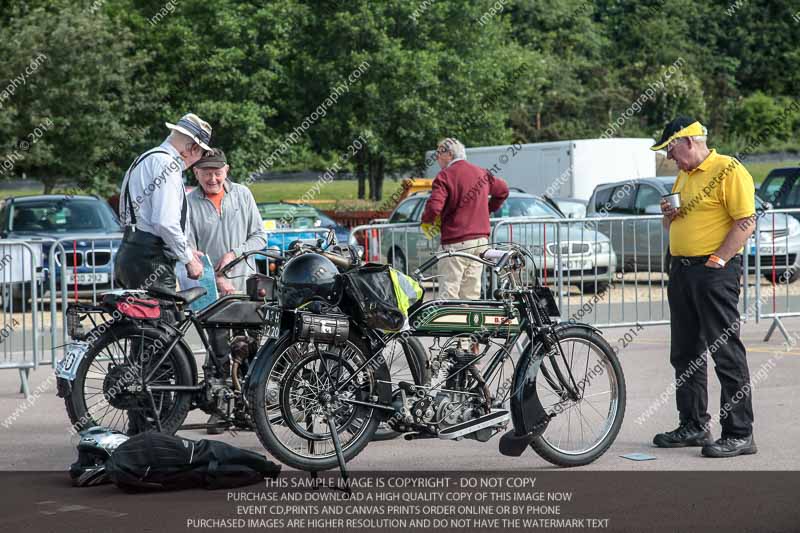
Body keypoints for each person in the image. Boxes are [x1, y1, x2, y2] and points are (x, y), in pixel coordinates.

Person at [653, 116, 757, 458]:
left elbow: (745, 221)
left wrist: (720, 259)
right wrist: (668, 214)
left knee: (725, 352)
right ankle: (694, 424)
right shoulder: (684, 175)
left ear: (690, 141)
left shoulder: (728, 169)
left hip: (713, 272)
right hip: (683, 270)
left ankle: (740, 433)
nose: (670, 156)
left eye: (671, 147)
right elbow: (674, 227)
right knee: (685, 353)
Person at [186, 148, 266, 434]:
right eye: (206, 171)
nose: (212, 177)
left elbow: (260, 237)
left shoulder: (243, 194)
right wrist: (216, 278)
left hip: (246, 286)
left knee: (251, 349)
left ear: (227, 170)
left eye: (217, 171)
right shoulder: (188, 203)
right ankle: (221, 411)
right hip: (212, 292)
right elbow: (190, 251)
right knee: (219, 351)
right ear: (195, 172)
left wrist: (236, 253)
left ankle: (252, 410)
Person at [116, 113, 212, 291]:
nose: (198, 160)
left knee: (137, 318)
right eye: (202, 153)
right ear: (193, 148)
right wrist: (189, 259)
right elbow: (165, 222)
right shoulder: (167, 165)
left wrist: (184, 250)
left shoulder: (146, 158)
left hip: (131, 254)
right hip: (150, 261)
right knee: (164, 318)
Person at [420, 137, 509, 300]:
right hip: (480, 241)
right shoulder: (482, 173)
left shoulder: (444, 176)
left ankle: (450, 325)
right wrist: (488, 210)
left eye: (439, 153)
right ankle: (471, 325)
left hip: (456, 242)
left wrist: (426, 220)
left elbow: (433, 208)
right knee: (471, 294)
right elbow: (503, 190)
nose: (437, 158)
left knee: (449, 294)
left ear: (449, 154)